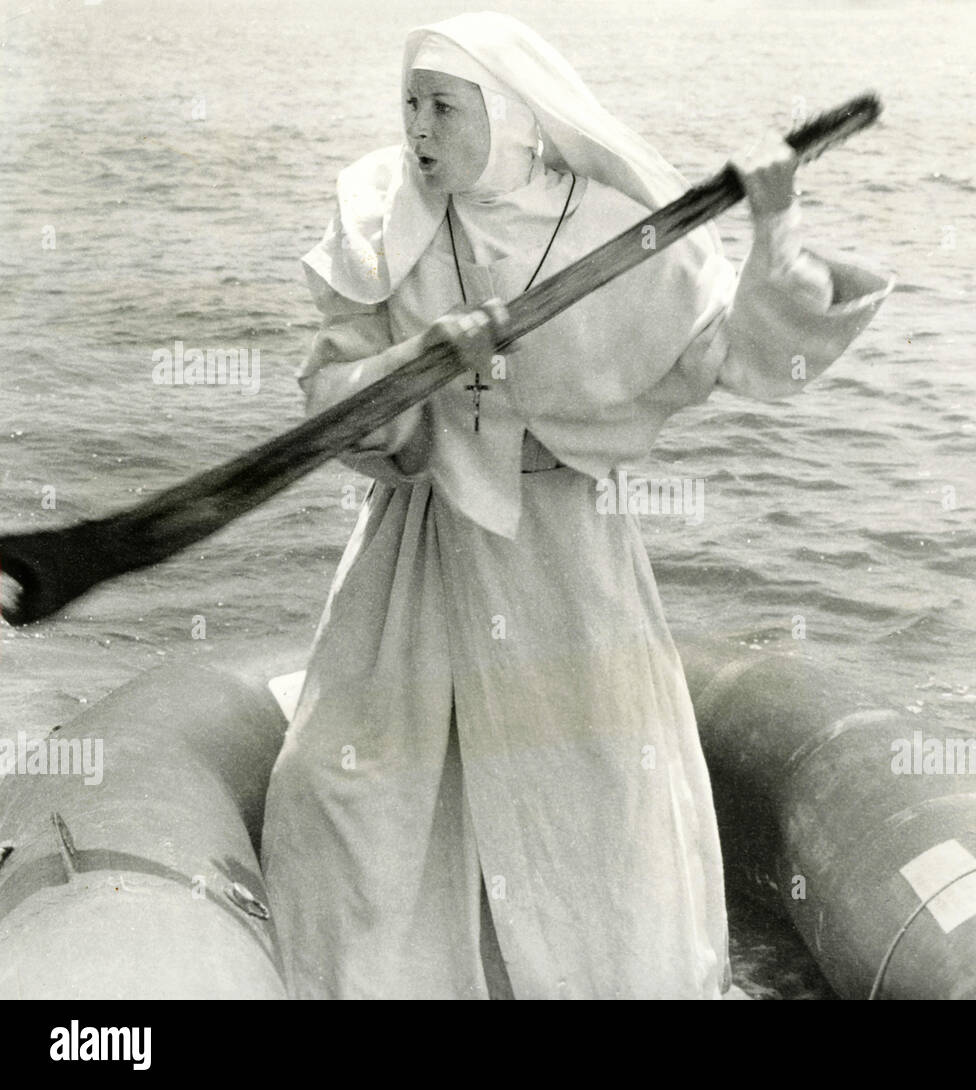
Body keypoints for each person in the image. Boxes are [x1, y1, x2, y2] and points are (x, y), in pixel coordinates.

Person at [260, 10, 893, 1000]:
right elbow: (325, 401)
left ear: (511, 117)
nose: (419, 130)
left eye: (444, 109)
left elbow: (750, 358)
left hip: (565, 553)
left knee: (591, 800)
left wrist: (776, 225)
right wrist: (410, 368)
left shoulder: (610, 225)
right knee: (347, 788)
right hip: (417, 554)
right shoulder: (381, 214)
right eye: (411, 105)